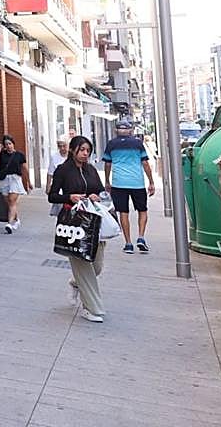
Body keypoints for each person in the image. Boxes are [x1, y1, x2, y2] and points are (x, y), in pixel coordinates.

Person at [48, 135, 107, 322]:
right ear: (73, 150)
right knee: (84, 266)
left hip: (94, 223)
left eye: (88, 151)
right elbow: (52, 196)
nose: (85, 154)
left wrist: (96, 196)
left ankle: (75, 283)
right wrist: (69, 197)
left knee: (96, 266)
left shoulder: (90, 170)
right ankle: (92, 308)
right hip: (73, 225)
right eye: (82, 150)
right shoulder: (63, 170)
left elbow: (100, 190)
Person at [103, 119, 156, 254]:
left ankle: (128, 243)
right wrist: (151, 181)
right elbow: (145, 163)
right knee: (142, 210)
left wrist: (107, 181)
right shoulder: (137, 143)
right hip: (136, 183)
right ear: (130, 130)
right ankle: (141, 237)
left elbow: (108, 164)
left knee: (123, 212)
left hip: (119, 183)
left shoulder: (111, 144)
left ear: (116, 131)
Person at [0, 135, 31, 233]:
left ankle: (9, 224)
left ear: (13, 144)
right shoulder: (2, 154)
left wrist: (28, 182)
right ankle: (17, 220)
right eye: (6, 144)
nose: (8, 146)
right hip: (4, 180)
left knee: (12, 200)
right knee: (9, 203)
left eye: (10, 143)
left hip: (15, 179)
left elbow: (25, 169)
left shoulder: (19, 155)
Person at [46, 137, 70, 217]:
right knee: (60, 209)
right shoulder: (54, 157)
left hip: (70, 186)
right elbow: (50, 172)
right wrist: (48, 186)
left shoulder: (72, 156)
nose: (62, 148)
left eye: (64, 146)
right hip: (59, 186)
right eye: (60, 146)